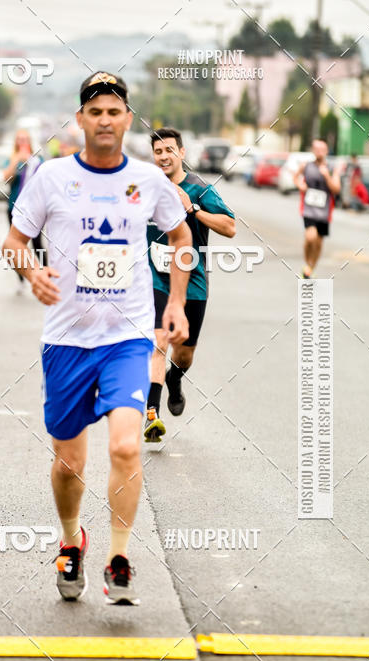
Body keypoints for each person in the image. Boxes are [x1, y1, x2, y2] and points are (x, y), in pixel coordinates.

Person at [3, 72, 193, 605]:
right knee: (69, 463)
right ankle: (71, 541)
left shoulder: (149, 181)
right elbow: (15, 241)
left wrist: (174, 301)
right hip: (66, 339)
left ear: (128, 119)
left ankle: (120, 557)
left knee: (128, 445)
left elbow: (181, 237)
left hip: (128, 336)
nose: (105, 120)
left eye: (114, 111)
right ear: (81, 119)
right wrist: (30, 271)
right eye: (96, 111)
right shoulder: (51, 177)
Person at [144, 128, 236, 443]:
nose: (164, 156)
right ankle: (151, 414)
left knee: (184, 355)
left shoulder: (199, 189)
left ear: (182, 153)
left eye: (169, 150)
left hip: (193, 281)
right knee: (158, 341)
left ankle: (175, 378)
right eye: (158, 151)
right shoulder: (145, 188)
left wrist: (193, 210)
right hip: (155, 278)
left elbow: (230, 227)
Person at [294, 139, 341, 279]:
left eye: (322, 149)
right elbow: (295, 177)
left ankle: (310, 268)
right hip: (308, 209)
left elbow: (336, 189)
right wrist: (300, 185)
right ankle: (307, 263)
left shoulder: (332, 168)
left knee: (319, 243)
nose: (319, 152)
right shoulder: (306, 166)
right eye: (316, 149)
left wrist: (327, 176)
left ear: (326, 151)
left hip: (324, 212)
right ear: (313, 150)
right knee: (310, 237)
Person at [4, 130, 44, 284]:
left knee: (37, 242)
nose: (22, 142)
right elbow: (6, 178)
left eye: (25, 139)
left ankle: (44, 272)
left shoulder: (37, 159)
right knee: (15, 242)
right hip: (14, 204)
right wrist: (16, 161)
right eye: (19, 139)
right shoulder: (12, 159)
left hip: (35, 208)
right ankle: (21, 275)